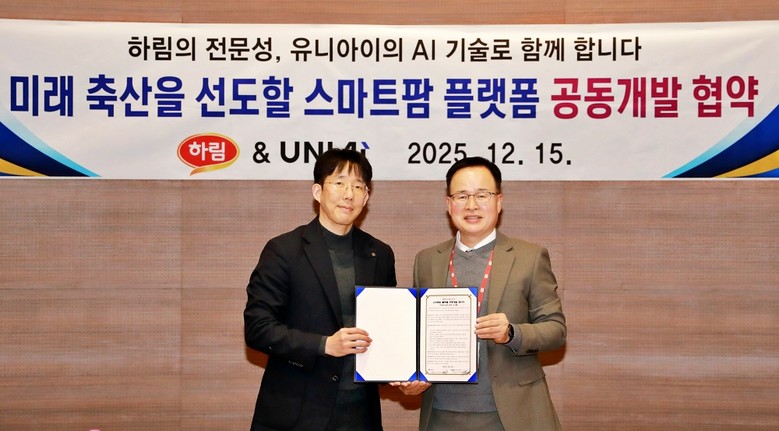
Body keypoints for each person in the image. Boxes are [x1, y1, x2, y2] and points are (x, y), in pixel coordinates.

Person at [391, 156, 566, 431]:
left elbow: (556, 330)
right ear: (449, 204)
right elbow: (417, 334)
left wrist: (511, 333)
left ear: (499, 201)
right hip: (442, 413)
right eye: (461, 196)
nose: (471, 205)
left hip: (509, 413)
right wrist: (410, 376)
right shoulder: (427, 260)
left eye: (482, 195)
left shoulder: (529, 257)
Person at [244, 148, 397, 431]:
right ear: (318, 191)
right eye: (339, 183)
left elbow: (387, 329)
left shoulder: (380, 254)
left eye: (358, 186)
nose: (349, 194)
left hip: (360, 413)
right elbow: (258, 329)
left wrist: (402, 372)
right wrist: (325, 345)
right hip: (297, 413)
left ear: (366, 197)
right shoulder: (284, 250)